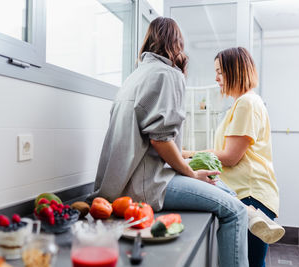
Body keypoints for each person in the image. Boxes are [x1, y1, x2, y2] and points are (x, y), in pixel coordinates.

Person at [88, 17, 249, 267]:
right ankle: (251, 215)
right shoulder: (167, 74)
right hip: (148, 185)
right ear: (176, 43)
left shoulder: (135, 76)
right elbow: (160, 141)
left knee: (222, 188)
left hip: (122, 184)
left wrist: (186, 161)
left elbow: (149, 137)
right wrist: (191, 174)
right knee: (236, 212)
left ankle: (255, 215)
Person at [184, 47, 284, 267]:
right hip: (248, 193)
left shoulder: (247, 103)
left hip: (251, 195)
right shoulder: (242, 103)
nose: (216, 78)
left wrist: (187, 154)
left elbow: (230, 157)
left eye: (220, 71)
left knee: (251, 262)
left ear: (235, 70)